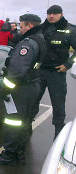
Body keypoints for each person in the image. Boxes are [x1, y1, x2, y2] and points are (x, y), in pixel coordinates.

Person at [0, 14, 46, 165]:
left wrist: (6, 89)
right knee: (24, 121)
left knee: (13, 122)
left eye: (21, 26)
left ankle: (9, 155)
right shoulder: (40, 39)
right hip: (33, 85)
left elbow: (16, 72)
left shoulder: (27, 43)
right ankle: (20, 151)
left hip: (21, 89)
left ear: (30, 26)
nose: (19, 29)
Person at [29, 5, 76, 139]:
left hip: (57, 73)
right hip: (39, 72)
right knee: (33, 101)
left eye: (55, 13)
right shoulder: (41, 28)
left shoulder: (70, 29)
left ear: (61, 14)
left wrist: (68, 64)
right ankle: (26, 130)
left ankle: (58, 136)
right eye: (49, 13)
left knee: (58, 105)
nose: (51, 16)